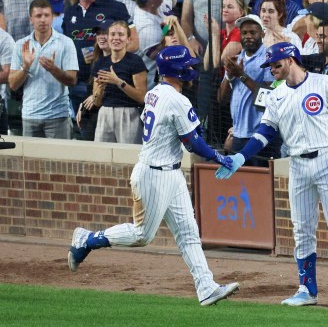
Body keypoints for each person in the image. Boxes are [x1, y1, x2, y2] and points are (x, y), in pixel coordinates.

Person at [67, 45, 240, 306]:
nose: (191, 69)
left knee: (189, 233)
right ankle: (88, 239)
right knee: (142, 235)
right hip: (152, 174)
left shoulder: (157, 92)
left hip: (171, 172)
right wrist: (219, 157)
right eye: (188, 66)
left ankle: (206, 287)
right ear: (177, 70)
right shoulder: (175, 99)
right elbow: (193, 143)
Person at [214, 42, 328, 306]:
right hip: (298, 165)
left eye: (277, 64)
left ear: (292, 59)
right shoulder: (275, 94)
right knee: (302, 230)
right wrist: (240, 156)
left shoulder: (324, 83)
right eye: (270, 65)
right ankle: (307, 290)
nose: (272, 69)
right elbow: (264, 133)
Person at [8, 0, 79, 139]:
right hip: (30, 115)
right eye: (38, 16)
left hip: (58, 115)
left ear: (52, 17)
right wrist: (25, 67)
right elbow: (13, 84)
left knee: (58, 160)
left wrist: (53, 69)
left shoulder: (66, 43)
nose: (43, 20)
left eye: (47, 15)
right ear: (31, 19)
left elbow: (72, 80)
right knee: (30, 161)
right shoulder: (21, 45)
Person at [218, 14, 280, 167]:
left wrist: (241, 75)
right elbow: (220, 99)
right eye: (244, 33)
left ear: (262, 34)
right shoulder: (237, 60)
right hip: (238, 134)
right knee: (240, 185)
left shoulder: (269, 58)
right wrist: (229, 76)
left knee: (262, 183)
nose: (248, 36)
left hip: (261, 134)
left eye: (253, 32)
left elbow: (267, 98)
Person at [91, 21, 147, 144]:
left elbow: (142, 97)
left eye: (120, 35)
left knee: (127, 157)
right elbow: (96, 101)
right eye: (113, 34)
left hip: (128, 114)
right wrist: (100, 91)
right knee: (101, 157)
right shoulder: (100, 63)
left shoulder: (135, 61)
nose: (116, 38)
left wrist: (118, 82)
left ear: (128, 39)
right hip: (105, 113)